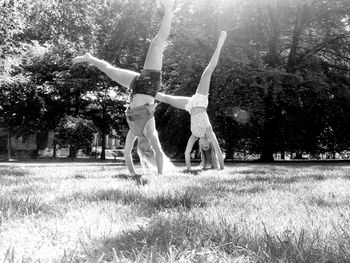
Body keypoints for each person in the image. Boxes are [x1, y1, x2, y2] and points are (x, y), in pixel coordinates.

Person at [72, 0, 175, 177]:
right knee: (156, 44)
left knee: (109, 70)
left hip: (136, 87)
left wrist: (134, 175)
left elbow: (127, 154)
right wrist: (160, 175)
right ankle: (169, 8)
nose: (147, 147)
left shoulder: (134, 133)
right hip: (149, 86)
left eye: (145, 150)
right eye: (149, 148)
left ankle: (89, 58)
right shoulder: (151, 132)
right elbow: (159, 153)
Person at [156, 31, 227, 171]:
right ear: (209, 143)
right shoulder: (209, 132)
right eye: (206, 146)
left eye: (203, 147)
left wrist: (188, 169)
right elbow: (219, 152)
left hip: (189, 106)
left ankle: (142, 89)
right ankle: (220, 44)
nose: (203, 145)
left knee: (166, 98)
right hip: (200, 101)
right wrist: (222, 169)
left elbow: (187, 152)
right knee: (207, 72)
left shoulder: (195, 135)